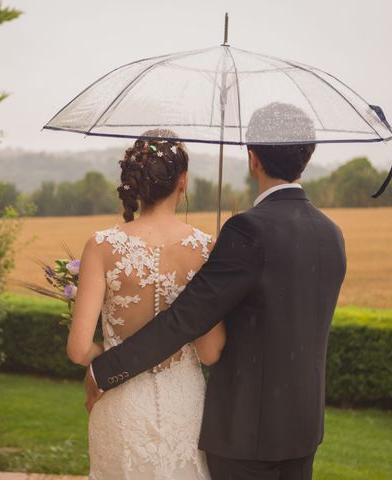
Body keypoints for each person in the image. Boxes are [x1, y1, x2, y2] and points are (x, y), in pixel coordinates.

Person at [86, 103, 348, 480]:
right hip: (304, 428)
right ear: (306, 156)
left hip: (245, 433)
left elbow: (185, 319)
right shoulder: (331, 234)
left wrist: (104, 370)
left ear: (252, 157)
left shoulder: (248, 231)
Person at [66, 129, 225, 479]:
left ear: (134, 183)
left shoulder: (101, 245)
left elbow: (78, 351)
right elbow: (211, 353)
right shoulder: (205, 249)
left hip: (120, 407)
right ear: (182, 181)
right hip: (184, 408)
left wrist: (108, 354)